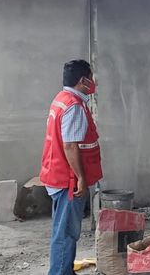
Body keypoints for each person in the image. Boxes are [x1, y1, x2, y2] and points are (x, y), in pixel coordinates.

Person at [39, 59, 103, 275]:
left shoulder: (61, 99)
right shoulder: (74, 106)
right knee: (66, 233)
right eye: (91, 77)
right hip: (68, 181)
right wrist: (81, 178)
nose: (94, 82)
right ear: (83, 80)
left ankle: (64, 270)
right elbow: (70, 145)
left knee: (62, 230)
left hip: (57, 174)